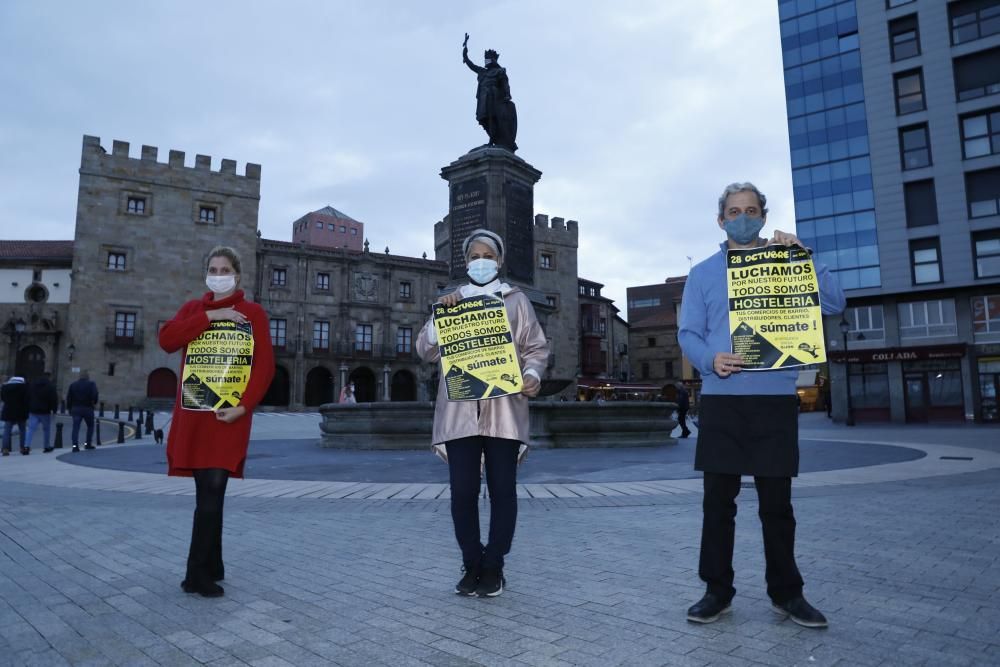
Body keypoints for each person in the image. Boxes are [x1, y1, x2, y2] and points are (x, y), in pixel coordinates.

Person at [678, 182, 845, 628]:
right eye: (734, 211)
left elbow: (834, 302)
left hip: (773, 399)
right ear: (721, 220)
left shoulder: (788, 261)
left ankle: (787, 593)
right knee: (718, 505)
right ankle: (716, 590)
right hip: (721, 399)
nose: (742, 217)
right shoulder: (704, 274)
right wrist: (708, 359)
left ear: (763, 217)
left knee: (777, 506)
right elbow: (688, 334)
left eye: (751, 210)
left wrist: (803, 255)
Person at [417, 228, 548, 597]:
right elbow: (424, 351)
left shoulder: (516, 301)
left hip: (505, 411)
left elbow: (536, 348)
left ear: (500, 260)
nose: (480, 261)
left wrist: (533, 374)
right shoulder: (450, 302)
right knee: (462, 493)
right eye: (474, 256)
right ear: (465, 261)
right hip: (459, 413)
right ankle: (471, 561)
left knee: (503, 491)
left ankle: (494, 566)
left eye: (487, 255)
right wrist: (436, 321)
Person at [159, 246, 274, 598]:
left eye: (225, 269)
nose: (219, 273)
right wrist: (213, 316)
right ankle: (211, 565)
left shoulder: (253, 314)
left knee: (213, 488)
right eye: (213, 268)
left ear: (237, 275)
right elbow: (167, 340)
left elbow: (264, 366)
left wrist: (244, 406)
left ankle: (195, 574)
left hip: (228, 416)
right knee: (207, 492)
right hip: (194, 417)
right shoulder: (193, 309)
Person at [462, 33, 518, 152]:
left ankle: (492, 140)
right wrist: (465, 55)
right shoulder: (482, 72)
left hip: (494, 97)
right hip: (483, 97)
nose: (485, 61)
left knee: (493, 117)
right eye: (485, 59)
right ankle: (491, 138)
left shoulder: (500, 71)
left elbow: (505, 85)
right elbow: (471, 65)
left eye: (487, 59)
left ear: (493, 60)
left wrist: (507, 95)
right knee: (485, 119)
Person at [25, 372, 58, 454]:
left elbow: (28, 396)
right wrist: (54, 410)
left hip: (33, 410)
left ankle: (26, 446)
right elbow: (54, 399)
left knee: (30, 429)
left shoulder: (33, 385)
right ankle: (46, 446)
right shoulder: (51, 386)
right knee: (46, 430)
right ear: (49, 377)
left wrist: (28, 407)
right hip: (45, 411)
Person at [66, 371, 99, 452]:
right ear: (88, 377)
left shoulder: (73, 385)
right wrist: (94, 402)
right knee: (90, 426)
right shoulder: (91, 384)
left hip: (76, 408)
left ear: (79, 377)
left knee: (76, 428)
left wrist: (69, 408)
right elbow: (95, 394)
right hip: (88, 408)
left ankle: (75, 446)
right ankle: (87, 444)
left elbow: (69, 397)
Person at [1, 376, 28, 456]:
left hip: (8, 411)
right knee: (22, 430)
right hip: (21, 411)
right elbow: (27, 399)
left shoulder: (5, 387)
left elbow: (3, 398)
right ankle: (22, 448)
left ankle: (5, 449)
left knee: (7, 431)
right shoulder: (24, 387)